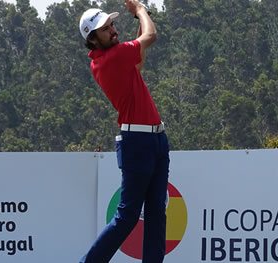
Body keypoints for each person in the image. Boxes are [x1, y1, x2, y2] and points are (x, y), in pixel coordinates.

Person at [78, 1, 170, 262]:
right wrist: (140, 10)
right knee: (127, 216)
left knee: (156, 213)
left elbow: (138, 62)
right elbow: (150, 36)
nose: (113, 30)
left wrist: (143, 16)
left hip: (155, 139)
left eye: (112, 25)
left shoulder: (112, 58)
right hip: (138, 141)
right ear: (93, 40)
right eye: (105, 29)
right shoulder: (111, 59)